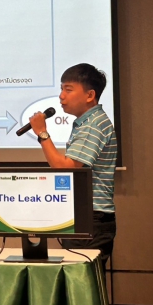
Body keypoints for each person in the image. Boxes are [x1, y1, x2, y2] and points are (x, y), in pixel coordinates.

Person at [29, 63, 117, 265]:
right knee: (79, 279)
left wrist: (42, 133)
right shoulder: (88, 122)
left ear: (90, 95)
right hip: (86, 215)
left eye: (68, 90)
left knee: (82, 280)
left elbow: (65, 168)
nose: (61, 96)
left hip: (91, 217)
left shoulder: (93, 125)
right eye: (61, 89)